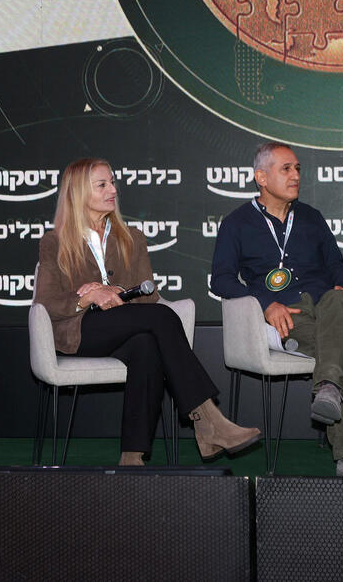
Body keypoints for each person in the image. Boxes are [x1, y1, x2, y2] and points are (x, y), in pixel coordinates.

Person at [34, 158, 260, 465]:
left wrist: (119, 297)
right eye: (103, 185)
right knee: (165, 318)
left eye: (112, 182)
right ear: (77, 193)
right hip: (81, 330)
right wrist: (90, 296)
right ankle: (208, 420)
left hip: (126, 323)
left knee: (147, 346)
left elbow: (149, 296)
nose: (113, 189)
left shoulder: (132, 237)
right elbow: (46, 302)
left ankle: (132, 455)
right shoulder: (55, 241)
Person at [211, 142, 343, 478]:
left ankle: (327, 387)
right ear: (261, 177)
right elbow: (221, 279)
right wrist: (264, 304)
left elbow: (337, 266)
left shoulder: (311, 217)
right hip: (284, 316)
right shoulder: (236, 223)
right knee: (334, 346)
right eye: (286, 169)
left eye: (297, 169)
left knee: (339, 299)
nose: (295, 176)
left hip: (326, 308)